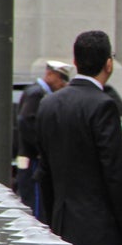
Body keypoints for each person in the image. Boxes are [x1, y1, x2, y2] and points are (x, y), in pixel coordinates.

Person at [35, 30, 122, 245]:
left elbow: (44, 171)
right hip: (99, 232)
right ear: (108, 64)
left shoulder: (49, 104)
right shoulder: (103, 106)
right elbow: (114, 171)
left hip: (61, 225)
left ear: (76, 61)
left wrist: (51, 221)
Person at [13, 59, 74, 219]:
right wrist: (41, 149)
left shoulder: (38, 92)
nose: (63, 84)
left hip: (30, 157)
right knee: (36, 204)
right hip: (32, 158)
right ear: (50, 74)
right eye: (61, 79)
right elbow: (25, 121)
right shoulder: (37, 93)